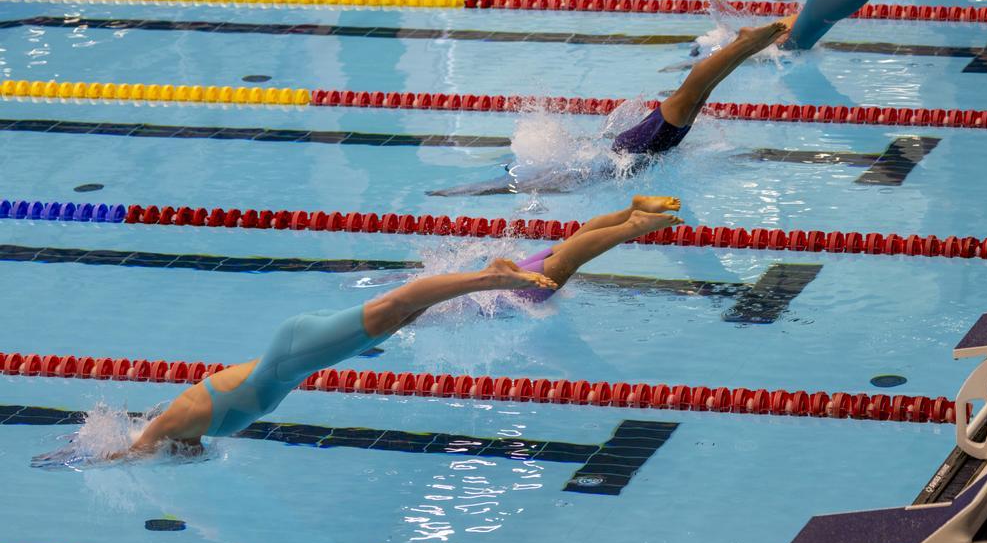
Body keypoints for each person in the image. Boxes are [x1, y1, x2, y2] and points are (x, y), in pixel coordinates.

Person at [92, 198, 682, 460]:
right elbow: (183, 449)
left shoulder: (161, 429)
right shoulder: (184, 428)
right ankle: (616, 223)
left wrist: (106, 458)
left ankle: (485, 277)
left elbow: (133, 453)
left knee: (398, 306)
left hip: (295, 351)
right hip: (300, 355)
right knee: (402, 314)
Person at [610, 0, 982, 156]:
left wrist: (745, 42)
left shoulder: (785, 43)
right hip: (818, 2)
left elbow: (701, 79)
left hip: (822, 6)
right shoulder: (783, 36)